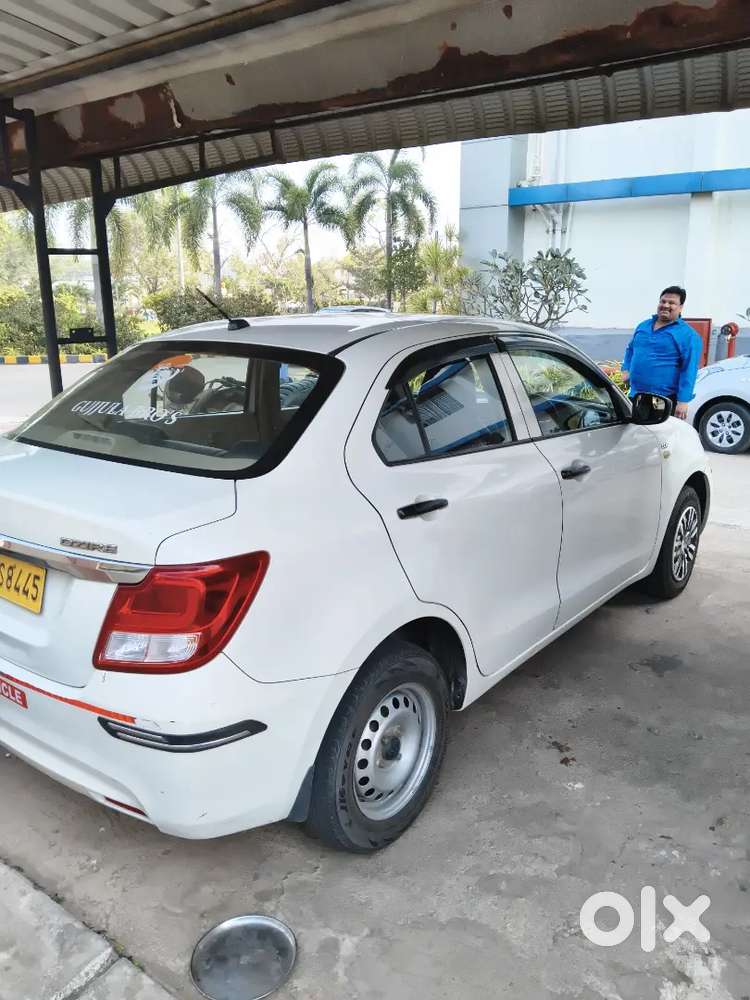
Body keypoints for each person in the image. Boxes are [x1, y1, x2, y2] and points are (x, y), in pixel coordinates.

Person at [622, 286, 702, 420]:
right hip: (637, 395)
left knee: (658, 436)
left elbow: (689, 369)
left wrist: (683, 401)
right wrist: (626, 369)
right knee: (635, 432)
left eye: (671, 303)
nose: (665, 305)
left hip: (662, 399)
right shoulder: (643, 326)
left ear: (681, 307)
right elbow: (630, 349)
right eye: (663, 301)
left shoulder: (688, 335)